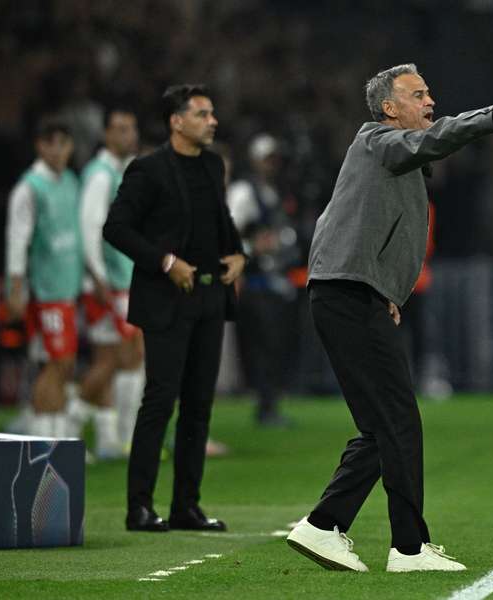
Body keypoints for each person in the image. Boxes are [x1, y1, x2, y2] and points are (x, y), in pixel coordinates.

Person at [286, 64, 493, 572]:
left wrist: (385, 287)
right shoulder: (378, 140)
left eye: (429, 92)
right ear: (390, 108)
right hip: (347, 295)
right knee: (398, 418)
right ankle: (409, 549)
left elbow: (344, 220)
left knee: (381, 426)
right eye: (418, 94)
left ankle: (324, 525)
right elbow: (438, 139)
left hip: (353, 293)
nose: (430, 101)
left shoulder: (388, 158)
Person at [103, 84, 246, 533]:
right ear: (176, 121)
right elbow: (117, 228)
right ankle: (139, 507)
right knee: (160, 401)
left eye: (212, 113)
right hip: (166, 300)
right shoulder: (147, 170)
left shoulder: (211, 164)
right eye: (203, 113)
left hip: (208, 297)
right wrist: (165, 262)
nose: (213, 121)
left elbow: (220, 219)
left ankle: (187, 505)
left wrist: (238, 253)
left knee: (199, 406)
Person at [5, 118, 82, 438]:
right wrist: (16, 289)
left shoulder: (70, 182)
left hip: (67, 287)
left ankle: (54, 433)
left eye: (64, 143)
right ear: (40, 146)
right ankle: (42, 437)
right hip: (44, 289)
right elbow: (17, 239)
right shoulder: (29, 187)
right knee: (58, 362)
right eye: (51, 142)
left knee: (59, 362)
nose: (58, 149)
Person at [74, 106, 144, 459]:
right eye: (119, 129)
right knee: (117, 358)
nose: (127, 135)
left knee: (124, 357)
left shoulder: (118, 171)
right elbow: (89, 228)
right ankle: (72, 424)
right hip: (106, 282)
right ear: (106, 135)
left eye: (130, 128)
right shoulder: (101, 175)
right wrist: (97, 275)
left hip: (121, 279)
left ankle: (109, 436)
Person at [227, 133, 303, 427]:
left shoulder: (273, 191)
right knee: (263, 346)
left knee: (276, 345)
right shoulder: (244, 192)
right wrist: (249, 248)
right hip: (256, 282)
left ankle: (270, 403)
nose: (273, 164)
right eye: (267, 158)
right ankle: (265, 405)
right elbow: (228, 231)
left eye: (275, 159)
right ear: (256, 160)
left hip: (276, 280)